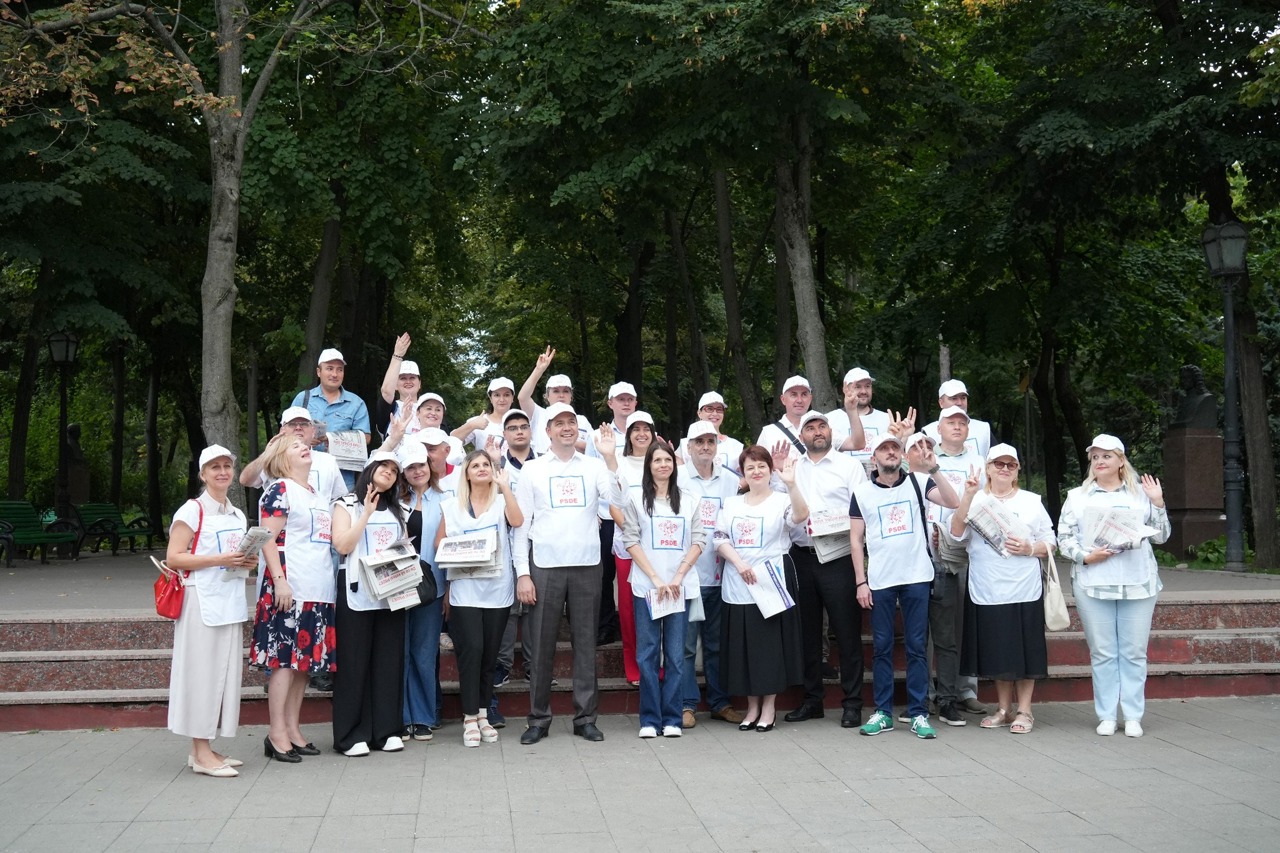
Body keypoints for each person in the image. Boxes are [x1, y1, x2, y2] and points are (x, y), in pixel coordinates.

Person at [513, 405, 616, 745]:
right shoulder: (532, 469)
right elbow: (521, 525)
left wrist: (610, 457)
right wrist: (523, 573)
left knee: (585, 644)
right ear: (548, 431)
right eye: (559, 423)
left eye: (572, 422)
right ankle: (538, 719)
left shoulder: (594, 466)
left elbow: (618, 499)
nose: (567, 428)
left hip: (587, 564)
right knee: (541, 646)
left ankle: (585, 718)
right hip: (545, 564)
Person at [1057, 433, 1169, 738]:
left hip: (1137, 582)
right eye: (1095, 457)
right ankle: (1106, 714)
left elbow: (1161, 537)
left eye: (1106, 456)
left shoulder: (1141, 493)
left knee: (1134, 653)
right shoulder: (1077, 497)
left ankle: (1132, 715)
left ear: (1121, 460)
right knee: (1103, 652)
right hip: (1094, 583)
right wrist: (1085, 556)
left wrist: (1158, 503)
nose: (1100, 461)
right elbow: (1064, 538)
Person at [850, 432, 959, 740]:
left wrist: (934, 468)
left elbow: (953, 502)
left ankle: (918, 713)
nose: (890, 453)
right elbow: (855, 540)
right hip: (881, 579)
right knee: (882, 647)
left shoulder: (919, 481)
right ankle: (883, 712)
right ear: (874, 457)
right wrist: (860, 581)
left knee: (916, 648)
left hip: (917, 576)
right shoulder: (862, 492)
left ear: (901, 455)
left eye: (894, 448)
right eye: (884, 449)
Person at [950, 444, 1055, 734]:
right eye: (998, 464)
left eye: (1010, 464)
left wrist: (1030, 548)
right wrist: (967, 496)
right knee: (998, 649)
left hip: (1024, 586)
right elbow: (956, 533)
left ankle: (1025, 710)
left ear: (1018, 470)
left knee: (1025, 650)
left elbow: (1051, 541)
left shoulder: (1031, 501)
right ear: (988, 468)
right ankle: (1004, 709)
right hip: (987, 586)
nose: (1004, 469)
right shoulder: (975, 498)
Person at [166, 445, 257, 778]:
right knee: (201, 675)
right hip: (200, 601)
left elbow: (233, 558)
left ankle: (201, 750)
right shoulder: (191, 510)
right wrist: (219, 559)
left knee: (221, 675)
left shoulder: (236, 515)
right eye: (214, 467)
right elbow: (174, 557)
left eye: (227, 466)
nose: (222, 472)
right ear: (203, 474)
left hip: (229, 601)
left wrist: (247, 561)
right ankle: (202, 752)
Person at [249, 437, 337, 763]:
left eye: (304, 443)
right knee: (284, 662)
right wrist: (279, 581)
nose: (303, 447)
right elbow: (267, 539)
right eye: (294, 445)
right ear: (280, 457)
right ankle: (276, 733)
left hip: (317, 589)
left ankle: (293, 729)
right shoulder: (280, 488)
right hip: (289, 588)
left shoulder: (315, 493)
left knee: (304, 665)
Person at [782, 411, 868, 729]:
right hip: (802, 555)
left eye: (822, 426)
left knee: (847, 632)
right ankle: (812, 700)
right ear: (801, 435)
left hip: (839, 555)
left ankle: (853, 703)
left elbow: (862, 509)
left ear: (831, 431)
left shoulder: (849, 466)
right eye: (810, 428)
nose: (817, 432)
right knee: (807, 632)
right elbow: (782, 508)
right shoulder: (792, 467)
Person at [713, 445, 808, 733]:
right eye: (750, 467)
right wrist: (739, 563)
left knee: (769, 648)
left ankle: (769, 707)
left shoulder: (782, 500)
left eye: (761, 466)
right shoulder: (732, 504)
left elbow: (801, 516)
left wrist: (792, 484)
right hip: (739, 581)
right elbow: (719, 538)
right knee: (742, 647)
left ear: (770, 470)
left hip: (771, 581)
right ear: (742, 473)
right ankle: (752, 707)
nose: (756, 472)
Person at [437, 450, 523, 746]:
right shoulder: (452, 506)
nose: (482, 468)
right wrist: (465, 549)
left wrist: (505, 487)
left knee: (489, 655)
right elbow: (439, 544)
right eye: (475, 465)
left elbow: (517, 520)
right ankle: (469, 717)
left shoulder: (502, 502)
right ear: (466, 473)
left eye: (487, 464)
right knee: (471, 651)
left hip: (498, 590)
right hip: (465, 590)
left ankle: (484, 714)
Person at [620, 442, 704, 738]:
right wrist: (656, 579)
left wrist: (678, 577)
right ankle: (649, 719)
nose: (663, 465)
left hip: (679, 588)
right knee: (647, 653)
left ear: (674, 464)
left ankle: (672, 718)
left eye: (667, 459)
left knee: (676, 655)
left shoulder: (690, 499)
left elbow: (699, 540)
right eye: (656, 460)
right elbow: (631, 540)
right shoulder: (635, 498)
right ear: (649, 465)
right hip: (648, 588)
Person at [331, 451, 410, 757]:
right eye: (383, 466)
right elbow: (342, 545)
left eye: (394, 470)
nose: (389, 472)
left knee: (388, 663)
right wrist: (365, 513)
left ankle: (386, 731)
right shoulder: (346, 504)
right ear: (369, 469)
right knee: (354, 664)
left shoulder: (398, 509)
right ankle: (351, 734)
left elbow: (403, 546)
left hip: (391, 593)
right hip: (356, 592)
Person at [924, 407, 987, 724]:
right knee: (924, 631)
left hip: (963, 550)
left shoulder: (978, 462)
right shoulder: (924, 457)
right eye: (951, 422)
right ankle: (926, 694)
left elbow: (985, 503)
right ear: (938, 428)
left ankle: (962, 691)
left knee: (958, 626)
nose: (958, 427)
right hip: (926, 551)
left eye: (963, 422)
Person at [680, 422, 744, 727]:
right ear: (689, 446)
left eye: (710, 441)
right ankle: (686, 704)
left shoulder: (730, 481)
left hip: (720, 577)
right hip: (688, 576)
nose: (705, 447)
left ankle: (720, 702)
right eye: (699, 442)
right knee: (686, 646)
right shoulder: (677, 478)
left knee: (717, 644)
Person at [488, 408, 540, 727]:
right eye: (513, 428)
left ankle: (536, 666)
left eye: (523, 426)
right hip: (503, 541)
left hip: (538, 542)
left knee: (535, 604)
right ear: (504, 434)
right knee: (507, 607)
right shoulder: (496, 464)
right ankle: (502, 665)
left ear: (530, 431)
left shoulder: (543, 462)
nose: (519, 431)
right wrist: (495, 464)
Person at [397, 441, 446, 742]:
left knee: (425, 653)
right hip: (398, 586)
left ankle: (424, 717)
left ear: (430, 467)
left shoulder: (446, 498)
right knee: (399, 653)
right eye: (411, 467)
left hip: (432, 587)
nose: (417, 471)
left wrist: (449, 589)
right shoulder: (393, 501)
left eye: (421, 465)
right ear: (403, 472)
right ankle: (402, 717)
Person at [587, 380, 639, 645]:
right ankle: (606, 625)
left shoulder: (644, 430)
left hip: (638, 516)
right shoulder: (598, 435)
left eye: (630, 399)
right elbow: (590, 473)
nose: (626, 403)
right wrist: (592, 510)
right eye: (620, 399)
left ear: (636, 402)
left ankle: (636, 624)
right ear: (610, 403)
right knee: (604, 574)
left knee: (636, 573)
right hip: (606, 515)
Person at [608, 411, 658, 686]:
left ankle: (657, 665)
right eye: (635, 429)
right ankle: (634, 668)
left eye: (646, 429)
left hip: (660, 547)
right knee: (629, 610)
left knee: (658, 606)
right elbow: (614, 506)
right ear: (627, 436)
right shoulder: (619, 464)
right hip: (628, 547)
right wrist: (634, 533)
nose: (641, 434)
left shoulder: (662, 461)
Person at [291, 347, 371, 489]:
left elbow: (366, 438)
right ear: (318, 372)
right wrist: (306, 440)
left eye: (340, 370)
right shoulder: (303, 399)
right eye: (329, 368)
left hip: (342, 479)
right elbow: (286, 433)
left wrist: (332, 439)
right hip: (304, 477)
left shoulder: (356, 403)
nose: (335, 374)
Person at [240, 407, 346, 506]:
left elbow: (341, 500)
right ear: (282, 431)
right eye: (292, 424)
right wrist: (267, 454)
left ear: (313, 431)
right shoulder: (274, 459)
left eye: (304, 424)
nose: (298, 428)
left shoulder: (328, 461)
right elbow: (246, 480)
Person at [517, 346, 592, 453]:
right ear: (547, 396)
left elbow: (594, 448)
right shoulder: (539, 414)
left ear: (571, 396)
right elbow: (523, 397)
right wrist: (539, 370)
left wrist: (566, 442)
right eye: (556, 391)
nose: (561, 395)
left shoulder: (582, 420)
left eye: (565, 391)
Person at [826, 368, 890, 476]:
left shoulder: (886, 419)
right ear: (845, 389)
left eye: (867, 386)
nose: (864, 391)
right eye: (858, 387)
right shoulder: (829, 420)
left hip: (879, 483)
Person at [676, 392, 744, 475]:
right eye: (709, 409)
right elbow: (678, 475)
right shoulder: (684, 445)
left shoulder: (735, 446)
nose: (715, 413)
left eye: (719, 409)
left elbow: (745, 475)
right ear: (699, 413)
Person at [923, 379, 991, 458]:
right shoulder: (928, 432)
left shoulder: (983, 429)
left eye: (963, 398)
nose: (959, 403)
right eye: (954, 398)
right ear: (941, 403)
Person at [374, 333, 421, 438]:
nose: (408, 381)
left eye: (412, 378)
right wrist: (397, 356)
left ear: (419, 384)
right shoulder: (391, 408)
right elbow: (386, 391)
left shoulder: (431, 407)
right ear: (395, 385)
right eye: (403, 378)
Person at [452, 377, 517, 451]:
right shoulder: (478, 421)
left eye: (506, 395)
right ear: (490, 398)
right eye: (497, 395)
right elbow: (451, 440)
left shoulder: (522, 421)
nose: (502, 399)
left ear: (512, 398)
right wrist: (472, 425)